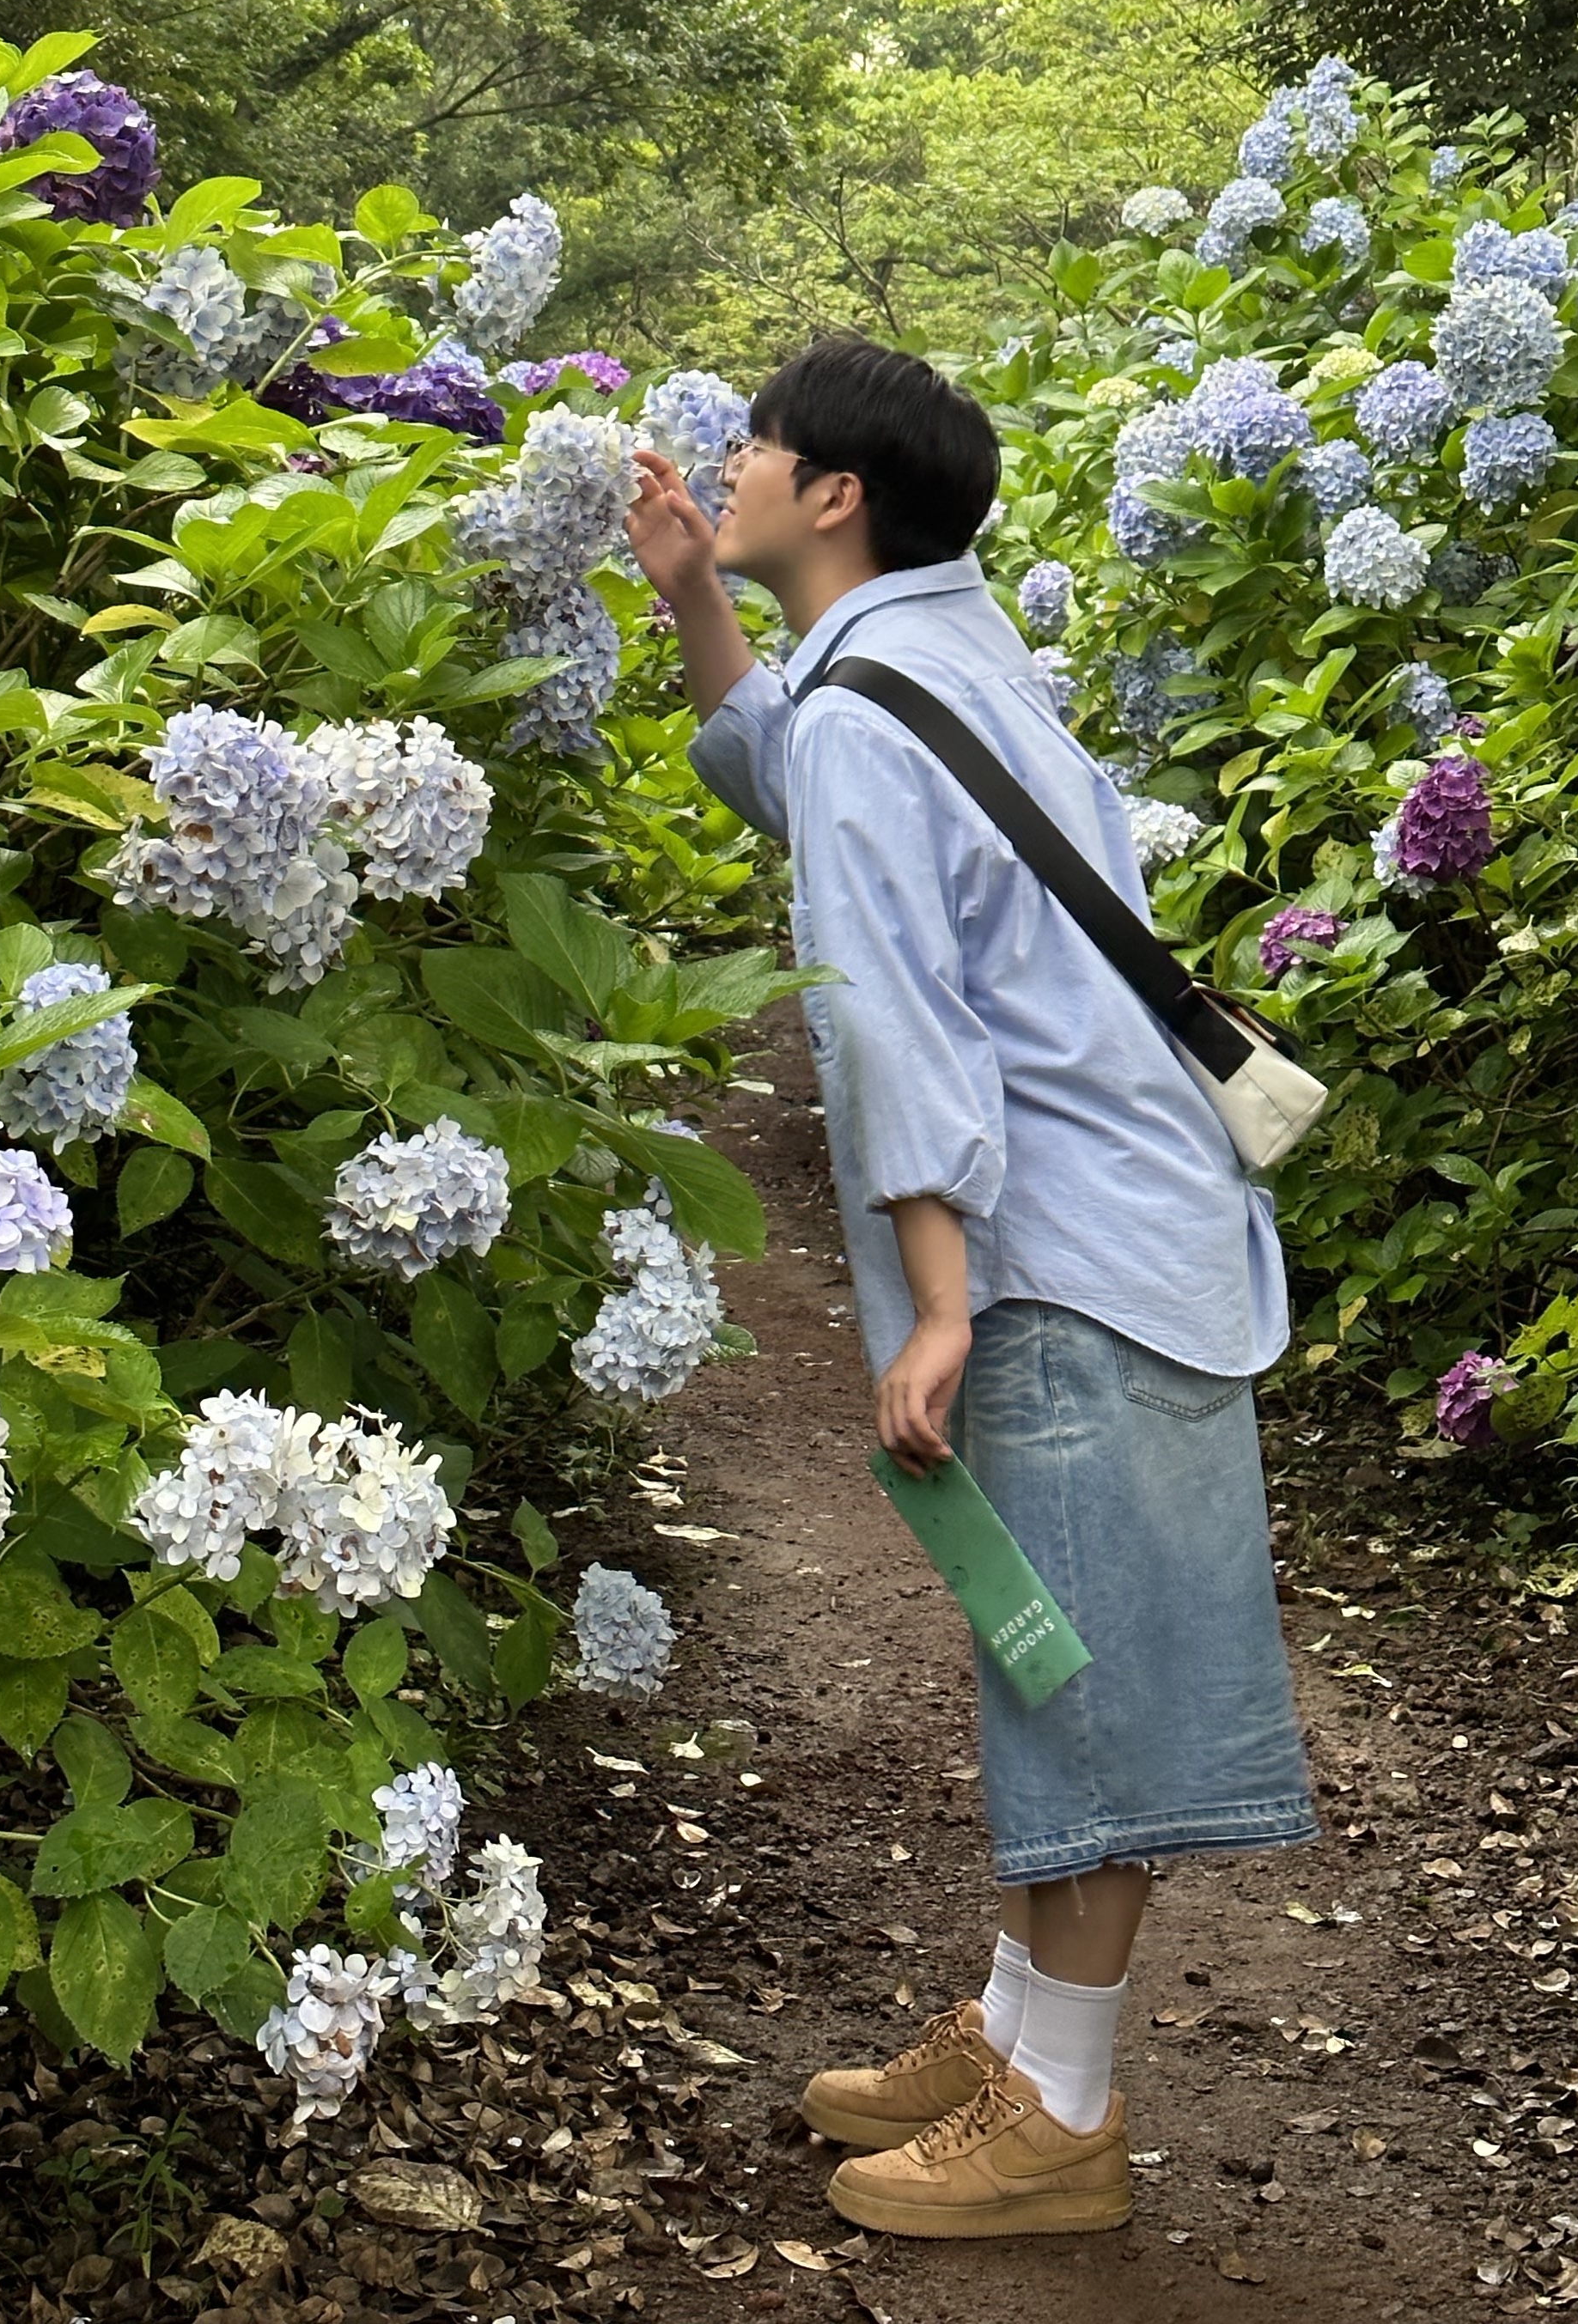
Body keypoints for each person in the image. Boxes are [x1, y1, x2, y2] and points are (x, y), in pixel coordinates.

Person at [624, 335, 1314, 2241]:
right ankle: (1021, 2035)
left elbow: (896, 1028)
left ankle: (1064, 2127)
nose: (730, 464)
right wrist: (694, 598)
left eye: (754, 451)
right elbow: (795, 776)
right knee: (1051, 1653)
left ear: (836, 496)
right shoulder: (938, 650)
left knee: (1083, 1681)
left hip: (1063, 1257)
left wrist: (938, 1302)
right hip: (1131, 1226)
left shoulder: (878, 704)